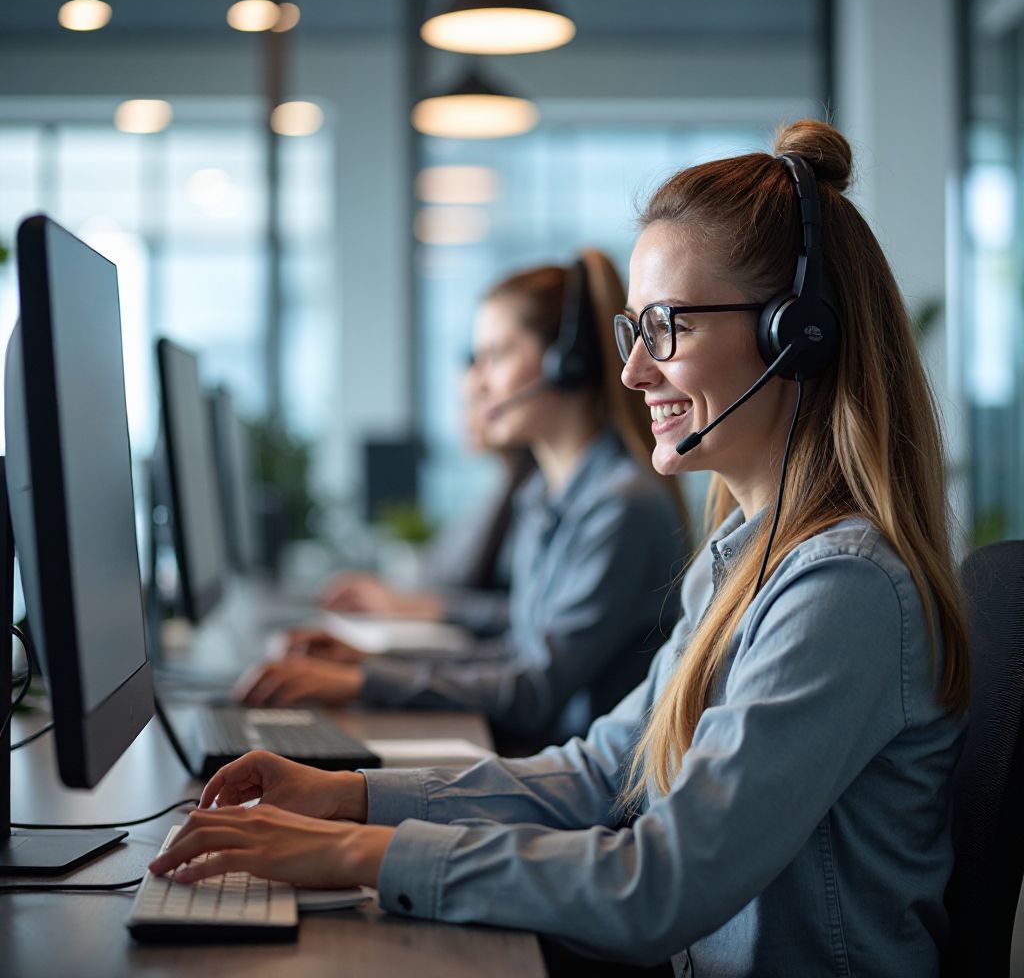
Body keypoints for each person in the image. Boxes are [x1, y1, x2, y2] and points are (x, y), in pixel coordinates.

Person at [151, 120, 970, 976]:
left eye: (668, 327)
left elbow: (664, 885)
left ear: (796, 336)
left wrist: (358, 856)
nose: (634, 373)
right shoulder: (741, 561)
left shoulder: (842, 590)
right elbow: (600, 773)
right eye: (633, 331)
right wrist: (349, 797)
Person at [238, 251, 690, 749]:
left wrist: (363, 681)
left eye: (495, 356)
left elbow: (534, 689)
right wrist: (365, 664)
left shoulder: (620, 506)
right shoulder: (546, 494)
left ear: (568, 363)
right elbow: (517, 643)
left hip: (574, 779)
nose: (475, 383)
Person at [315, 360, 536, 637]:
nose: (464, 419)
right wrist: (393, 596)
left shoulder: (533, 498)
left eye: (473, 402)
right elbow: (437, 570)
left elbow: (526, 613)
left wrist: (416, 606)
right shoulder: (497, 494)